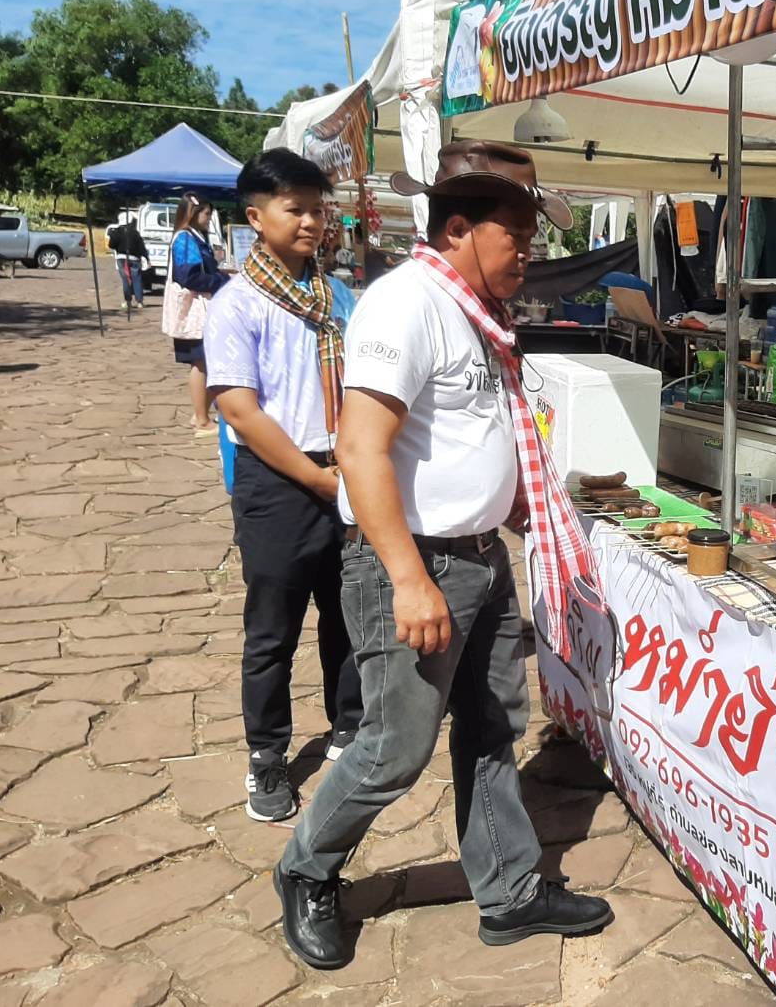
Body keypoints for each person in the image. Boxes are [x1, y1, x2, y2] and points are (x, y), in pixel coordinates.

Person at [274, 140, 612, 969]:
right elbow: (359, 451)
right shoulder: (406, 305)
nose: (530, 253)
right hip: (416, 564)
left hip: (476, 558)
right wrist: (407, 579)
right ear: (458, 227)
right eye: (518, 234)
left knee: (494, 727)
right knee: (394, 747)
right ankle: (305, 868)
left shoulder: (476, 313)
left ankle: (508, 892)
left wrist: (523, 513)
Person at [204, 149, 365, 824]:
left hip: (345, 469)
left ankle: (349, 726)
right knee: (271, 630)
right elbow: (239, 409)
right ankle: (267, 757)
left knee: (349, 615)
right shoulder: (237, 304)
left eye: (316, 208)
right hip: (278, 481)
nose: (310, 221)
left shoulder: (338, 298)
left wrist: (350, 472)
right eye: (294, 209)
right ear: (255, 216)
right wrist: (315, 479)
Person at [168, 193, 230, 433]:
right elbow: (189, 276)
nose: (209, 218)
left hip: (201, 306)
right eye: (206, 213)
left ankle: (201, 415)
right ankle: (201, 417)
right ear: (193, 214)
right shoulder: (185, 239)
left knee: (204, 361)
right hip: (194, 309)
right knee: (200, 362)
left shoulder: (194, 237)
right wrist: (221, 279)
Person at [106, 212, 148, 310]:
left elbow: (111, 245)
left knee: (125, 280)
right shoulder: (135, 232)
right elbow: (141, 246)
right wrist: (146, 257)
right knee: (137, 279)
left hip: (121, 258)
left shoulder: (116, 232)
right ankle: (140, 302)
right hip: (134, 259)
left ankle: (127, 301)